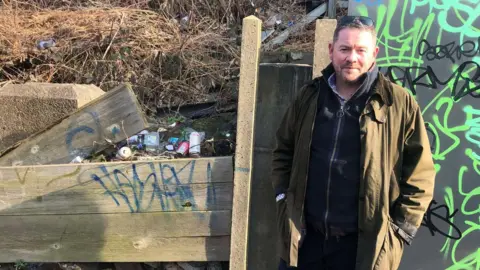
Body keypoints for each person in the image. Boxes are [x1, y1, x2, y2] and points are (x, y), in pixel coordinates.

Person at [271, 15, 436, 270]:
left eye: (361, 50)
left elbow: (420, 175)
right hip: (305, 242)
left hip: (363, 250)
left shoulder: (398, 104)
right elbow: (283, 150)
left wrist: (400, 231)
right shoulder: (309, 97)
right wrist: (283, 198)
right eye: (345, 49)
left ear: (374, 54)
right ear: (331, 50)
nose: (352, 58)